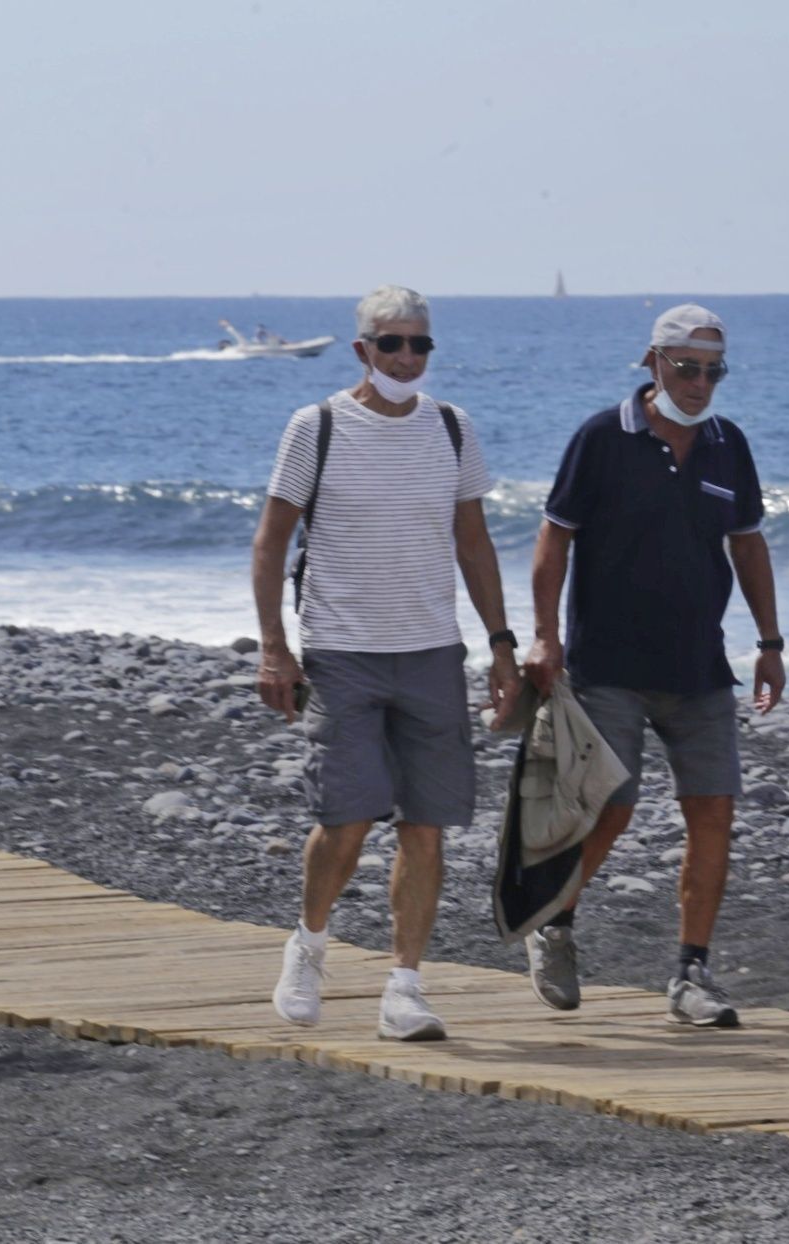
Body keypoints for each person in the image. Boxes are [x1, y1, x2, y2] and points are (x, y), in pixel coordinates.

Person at [251, 284, 520, 1041]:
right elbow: (271, 541)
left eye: (419, 343)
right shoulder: (318, 427)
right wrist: (274, 646)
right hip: (341, 654)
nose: (407, 356)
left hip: (433, 651)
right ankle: (307, 944)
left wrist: (501, 644)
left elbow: (473, 542)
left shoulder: (453, 429)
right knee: (345, 818)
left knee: (426, 827)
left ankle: (404, 986)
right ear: (361, 349)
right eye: (391, 342)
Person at [520, 304, 785, 1028]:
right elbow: (553, 542)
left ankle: (690, 975)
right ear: (652, 362)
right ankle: (554, 926)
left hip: (699, 665)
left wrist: (769, 643)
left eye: (711, 371)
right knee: (611, 805)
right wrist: (543, 638)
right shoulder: (601, 437)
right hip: (606, 663)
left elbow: (748, 544)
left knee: (713, 813)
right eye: (685, 367)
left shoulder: (729, 445)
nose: (699, 384)